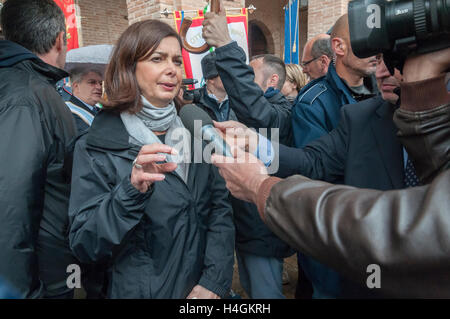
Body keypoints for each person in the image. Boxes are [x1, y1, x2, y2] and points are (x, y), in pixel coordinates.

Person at [211, 47, 450, 298]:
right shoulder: (363, 117)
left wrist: (260, 187)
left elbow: (409, 221)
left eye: (397, 62)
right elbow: (312, 160)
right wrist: (256, 143)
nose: (380, 72)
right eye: (378, 60)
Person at [68, 19, 235, 299]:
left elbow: (219, 212)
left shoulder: (195, 129)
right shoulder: (96, 146)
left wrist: (213, 281)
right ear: (129, 68)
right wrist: (130, 193)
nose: (172, 69)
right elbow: (85, 242)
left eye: (177, 61)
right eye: (157, 59)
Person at [202, 4, 294, 299]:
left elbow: (258, 114)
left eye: (248, 75)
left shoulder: (281, 111)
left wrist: (225, 45)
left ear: (272, 81)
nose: (240, 83)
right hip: (245, 226)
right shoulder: (250, 108)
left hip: (263, 230)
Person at [0, 0, 77, 299]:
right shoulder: (26, 98)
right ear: (60, 40)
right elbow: (10, 207)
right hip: (41, 282)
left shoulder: (30, 88)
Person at [292, 14, 378, 148]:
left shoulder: (386, 92)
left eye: (377, 41)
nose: (376, 51)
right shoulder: (313, 103)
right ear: (338, 46)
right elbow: (317, 163)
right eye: (366, 41)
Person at [195, 52, 237, 122]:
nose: (232, 76)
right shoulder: (194, 105)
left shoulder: (239, 100)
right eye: (227, 73)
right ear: (211, 78)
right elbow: (197, 132)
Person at [66, 66, 103, 133]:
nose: (99, 87)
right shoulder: (69, 113)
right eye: (92, 82)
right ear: (76, 87)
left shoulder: (99, 110)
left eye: (100, 83)